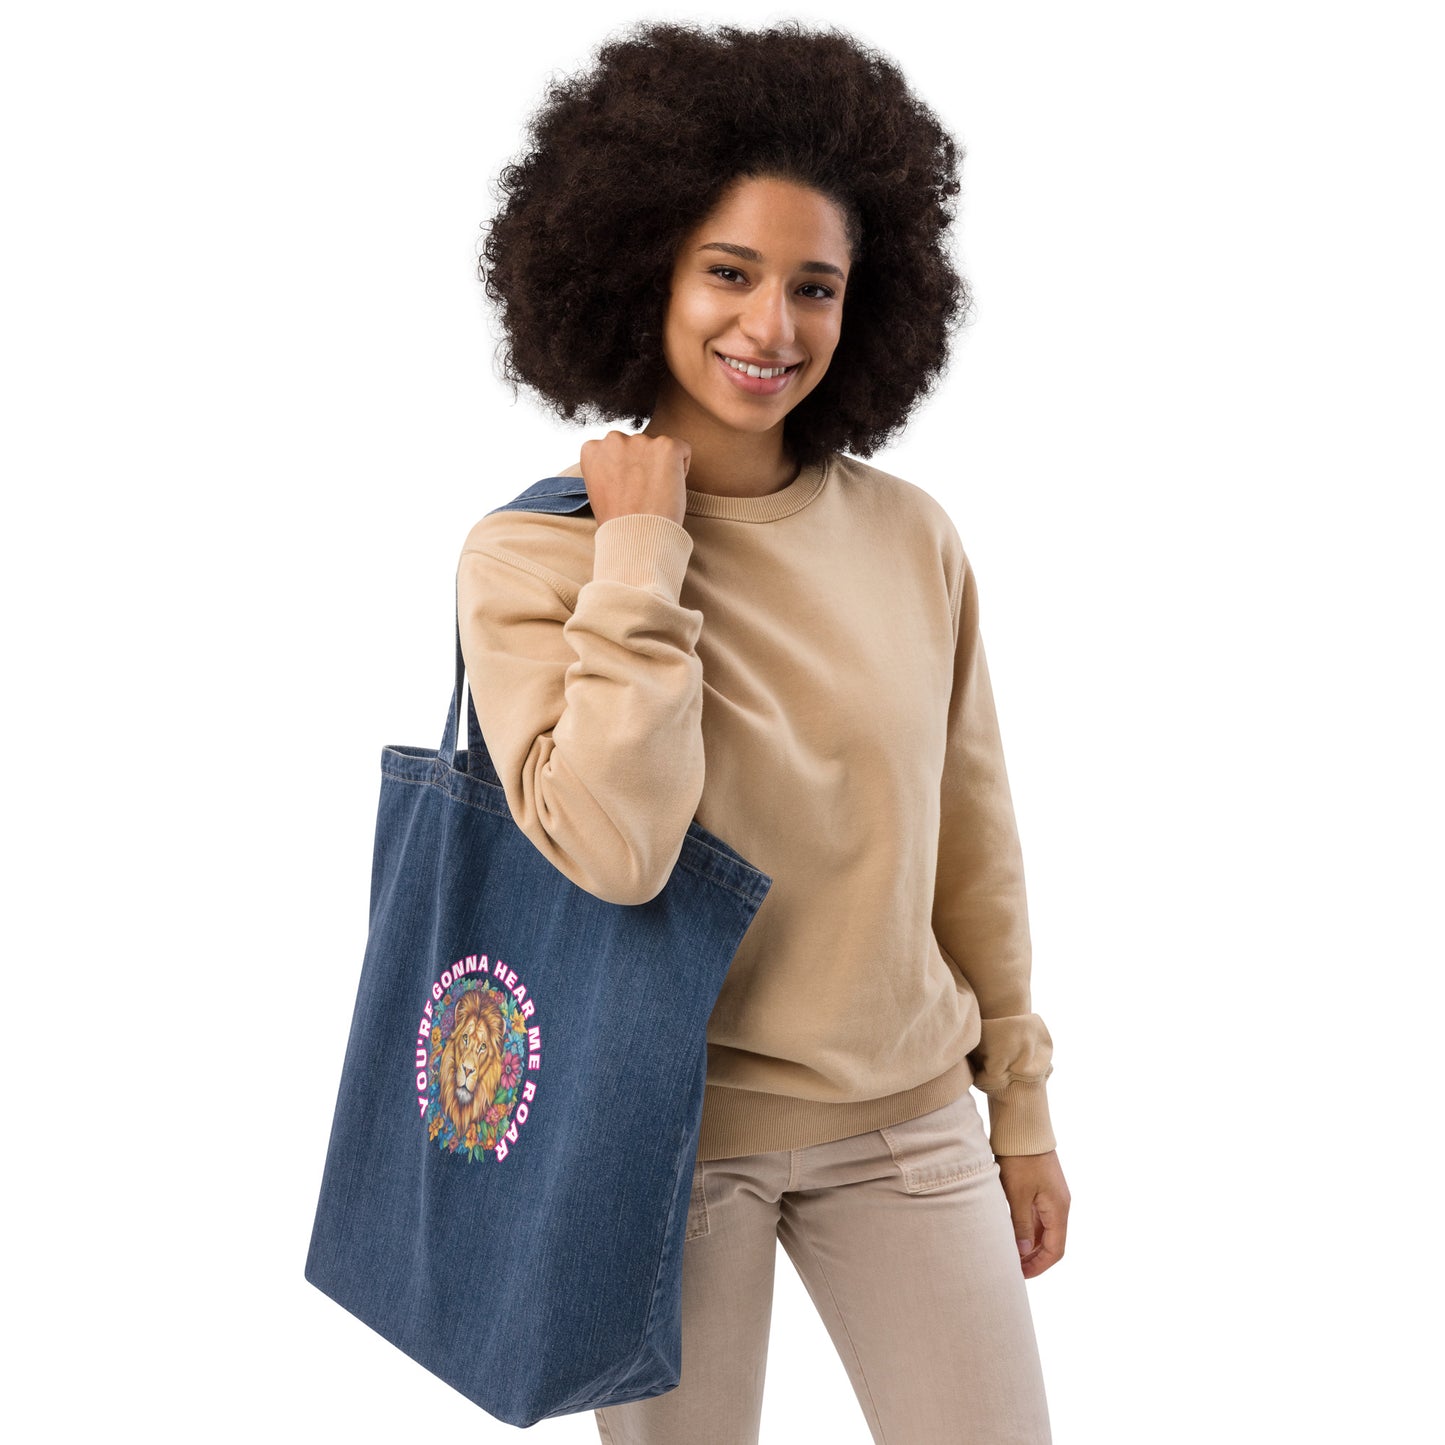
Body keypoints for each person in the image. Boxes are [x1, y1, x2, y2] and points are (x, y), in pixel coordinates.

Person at [463, 19, 1069, 1444]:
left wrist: (1022, 1103)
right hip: (657, 1144)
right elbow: (615, 850)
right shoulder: (533, 558)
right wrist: (639, 556)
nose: (772, 328)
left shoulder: (910, 537)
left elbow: (969, 841)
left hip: (908, 1117)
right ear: (645, 268)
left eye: (816, 286)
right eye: (728, 272)